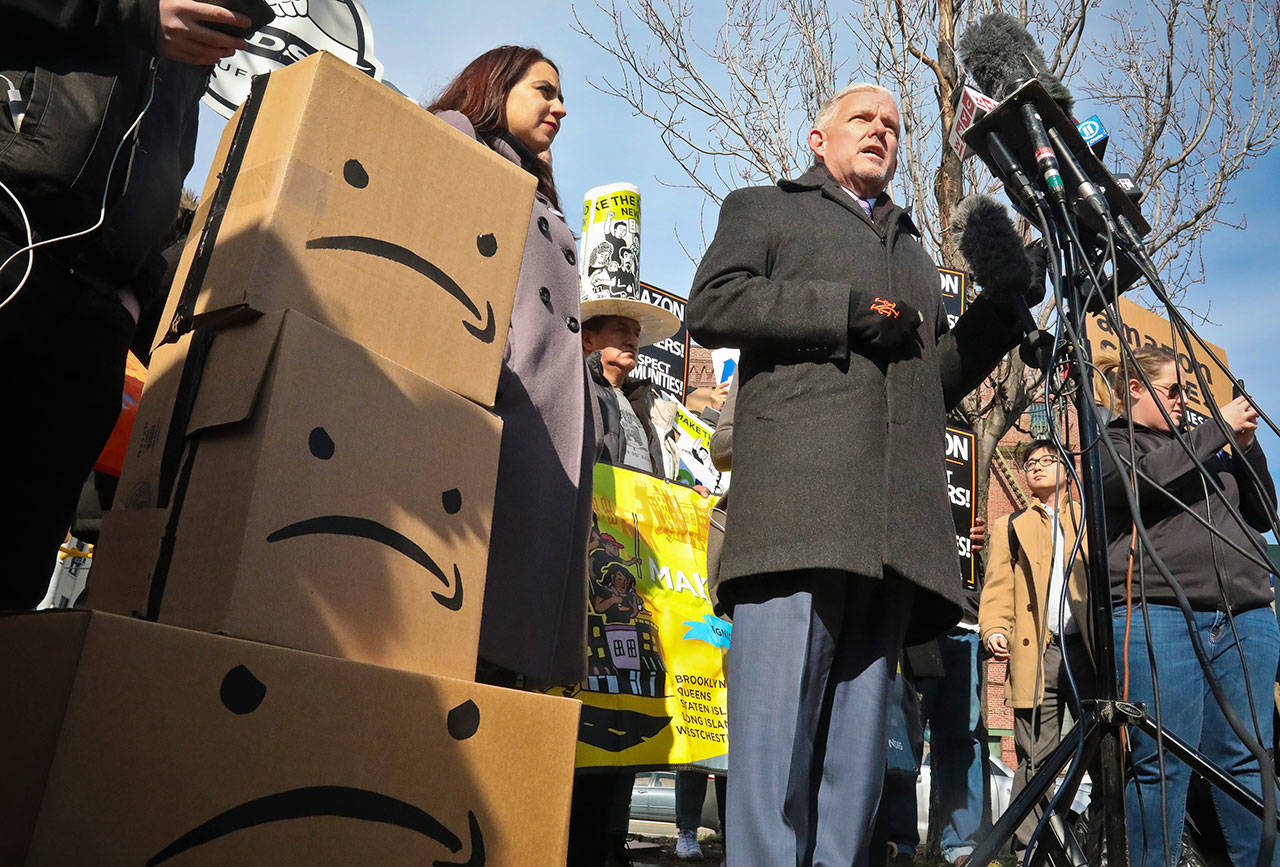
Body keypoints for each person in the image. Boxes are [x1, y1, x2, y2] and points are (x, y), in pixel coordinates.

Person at [686, 82, 1026, 865]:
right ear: (819, 138)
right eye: (862, 119)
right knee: (773, 753)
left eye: (893, 125)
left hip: (891, 539)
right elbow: (713, 303)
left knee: (856, 772)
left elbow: (930, 380)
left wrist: (1001, 313)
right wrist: (842, 309)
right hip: (796, 520)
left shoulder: (913, 251)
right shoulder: (764, 208)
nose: (880, 131)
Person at [0, 0, 251, 609]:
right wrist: (138, 13)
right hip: (12, 229)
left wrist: (136, 290)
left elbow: (160, 153)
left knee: (15, 569)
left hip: (96, 307)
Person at [426, 47, 596, 688]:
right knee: (472, 609)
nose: (560, 107)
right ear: (496, 85)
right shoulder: (456, 136)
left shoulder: (530, 183)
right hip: (496, 401)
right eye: (544, 90)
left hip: (542, 412)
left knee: (510, 629)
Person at [1099, 346, 1278, 867]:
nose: (1183, 402)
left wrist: (1246, 450)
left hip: (1243, 617)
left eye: (1187, 393)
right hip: (1159, 614)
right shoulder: (1112, 443)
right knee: (1161, 762)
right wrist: (1217, 429)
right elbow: (1141, 481)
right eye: (1173, 390)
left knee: (1247, 761)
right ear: (1136, 389)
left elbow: (1265, 515)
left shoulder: (1207, 448)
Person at [979, 438, 1093, 855]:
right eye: (1030, 464)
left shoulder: (1089, 518)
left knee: (1102, 747)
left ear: (1068, 469)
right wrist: (995, 628)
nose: (1038, 467)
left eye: (1048, 460)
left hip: (1087, 650)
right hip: (1037, 652)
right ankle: (1030, 849)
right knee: (1035, 759)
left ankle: (1096, 835)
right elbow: (997, 588)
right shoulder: (1010, 526)